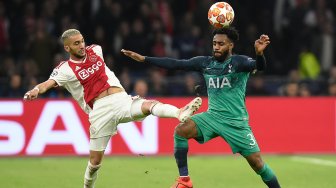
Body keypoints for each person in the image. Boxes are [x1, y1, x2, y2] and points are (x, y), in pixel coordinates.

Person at [23, 29, 202, 188]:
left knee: (148, 105)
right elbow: (48, 83)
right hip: (99, 110)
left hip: (120, 99)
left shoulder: (96, 50)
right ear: (67, 48)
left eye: (82, 41)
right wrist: (36, 90)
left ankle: (179, 113)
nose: (82, 45)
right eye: (76, 43)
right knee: (95, 162)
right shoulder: (65, 69)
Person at [121, 27, 281, 188]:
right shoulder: (205, 63)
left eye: (221, 44)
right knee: (181, 131)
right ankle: (184, 180)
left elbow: (260, 67)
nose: (216, 47)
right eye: (214, 43)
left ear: (230, 45)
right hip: (212, 117)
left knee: (258, 165)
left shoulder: (239, 62)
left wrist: (259, 54)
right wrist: (144, 59)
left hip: (236, 122)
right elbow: (176, 64)